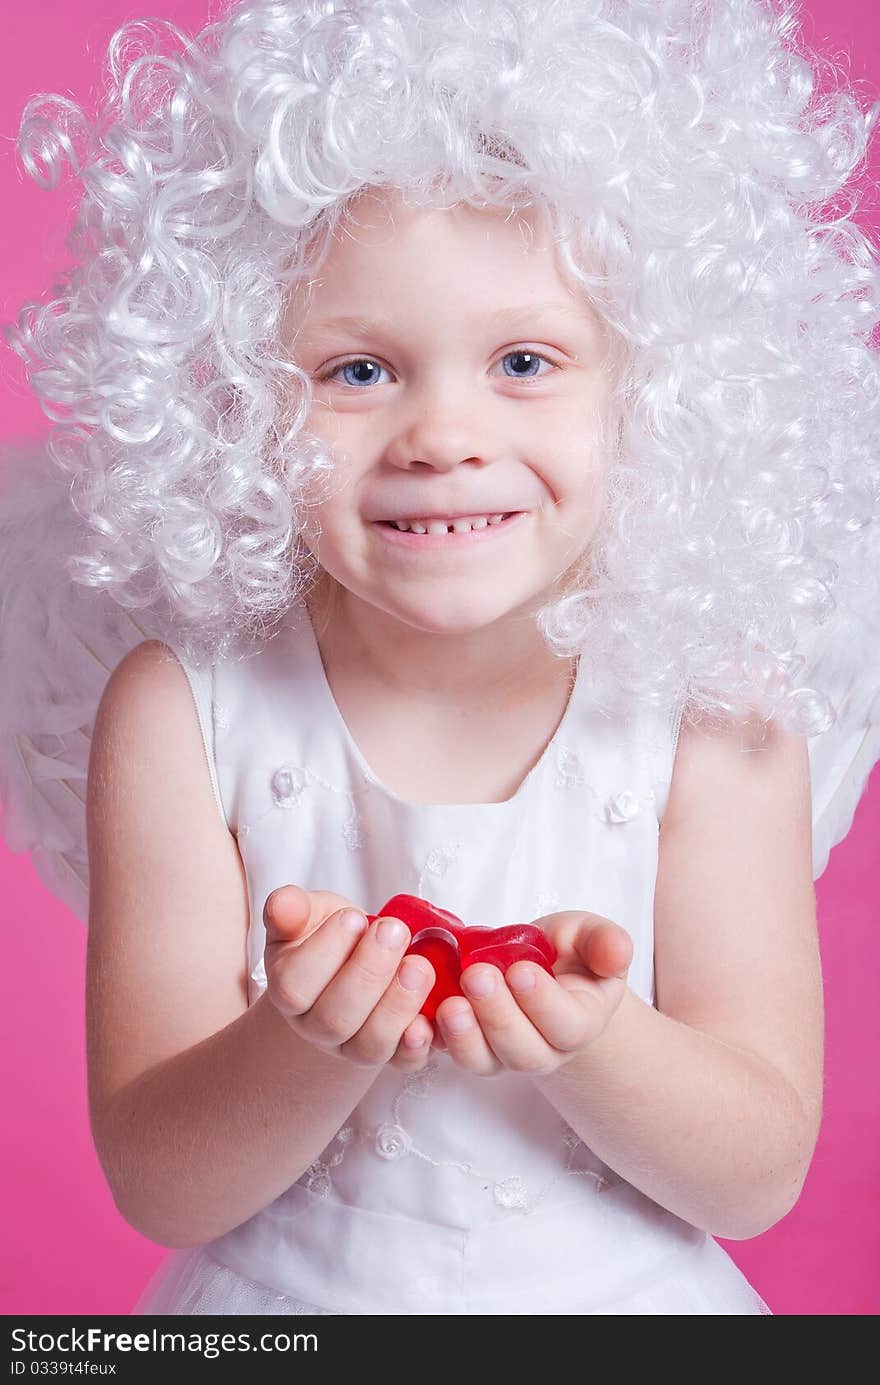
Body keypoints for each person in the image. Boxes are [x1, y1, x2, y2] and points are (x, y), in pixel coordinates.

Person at [1, 0, 878, 1316]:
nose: (442, 434)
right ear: (239, 399)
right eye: (359, 371)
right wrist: (303, 1041)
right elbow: (158, 1180)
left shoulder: (711, 704)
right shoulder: (185, 709)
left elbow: (755, 1174)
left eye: (525, 359)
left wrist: (600, 1040)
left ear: (654, 384)